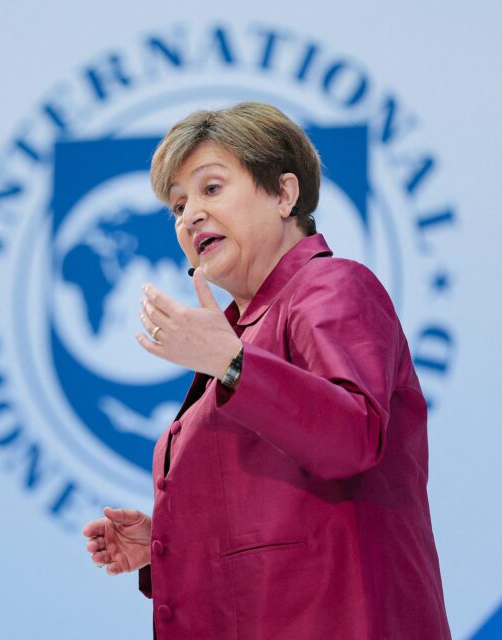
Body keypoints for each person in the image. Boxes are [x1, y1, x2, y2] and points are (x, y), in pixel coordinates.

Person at [82, 102, 450, 639]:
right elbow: (278, 524)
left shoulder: (332, 288)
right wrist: (168, 547)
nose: (189, 217)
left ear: (283, 194)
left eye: (211, 188)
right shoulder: (240, 333)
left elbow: (352, 436)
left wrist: (232, 364)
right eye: (178, 205)